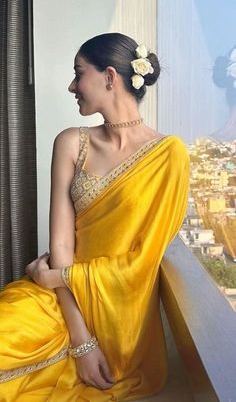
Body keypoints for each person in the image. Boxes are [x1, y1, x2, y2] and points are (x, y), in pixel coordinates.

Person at [0, 32, 190, 401]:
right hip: (56, 300)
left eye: (78, 73)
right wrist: (81, 340)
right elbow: (61, 244)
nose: (72, 85)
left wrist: (58, 276)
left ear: (108, 77)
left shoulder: (169, 156)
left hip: (117, 317)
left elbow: (142, 262)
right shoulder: (72, 142)